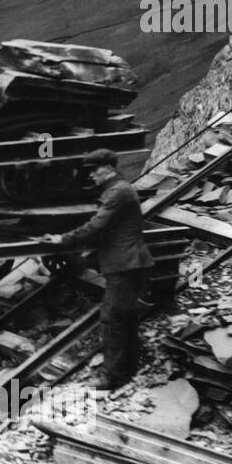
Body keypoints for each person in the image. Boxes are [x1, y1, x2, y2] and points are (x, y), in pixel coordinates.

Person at [42, 149, 154, 390]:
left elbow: (96, 225)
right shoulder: (117, 190)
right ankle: (129, 368)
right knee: (125, 317)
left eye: (94, 170)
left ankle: (112, 377)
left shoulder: (119, 191)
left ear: (108, 168)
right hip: (127, 264)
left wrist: (62, 239)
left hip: (126, 265)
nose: (91, 175)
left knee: (112, 317)